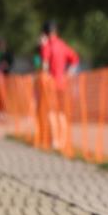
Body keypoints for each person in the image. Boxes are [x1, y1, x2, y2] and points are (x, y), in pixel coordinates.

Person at [39, 20, 80, 151]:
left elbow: (44, 66)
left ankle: (54, 141)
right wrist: (68, 74)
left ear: (45, 33)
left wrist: (43, 77)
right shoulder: (62, 45)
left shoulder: (47, 46)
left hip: (51, 85)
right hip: (63, 84)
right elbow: (75, 60)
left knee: (51, 112)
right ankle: (62, 142)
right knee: (61, 112)